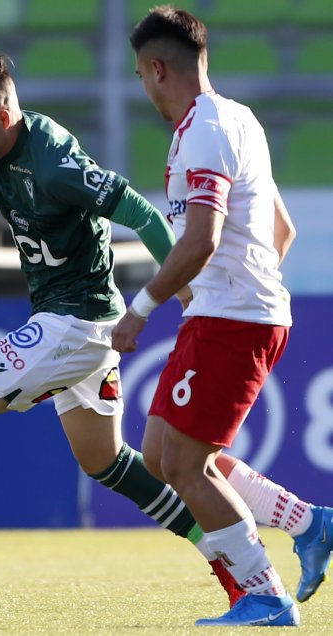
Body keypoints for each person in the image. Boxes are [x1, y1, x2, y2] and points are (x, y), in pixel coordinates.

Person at [0, 50, 332, 611]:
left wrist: (187, 291)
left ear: (5, 113)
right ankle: (229, 563)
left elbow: (139, 211)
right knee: (106, 460)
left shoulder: (54, 160)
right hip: (73, 320)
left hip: (78, 320)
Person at [113, 5, 333, 627]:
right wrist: (242, 283)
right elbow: (280, 229)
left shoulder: (204, 130)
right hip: (229, 311)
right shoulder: (237, 119)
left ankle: (265, 595)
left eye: (139, 74)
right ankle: (309, 523)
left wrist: (142, 309)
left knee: (184, 464)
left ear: (158, 69)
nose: (142, 87)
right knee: (161, 454)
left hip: (233, 319)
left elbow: (203, 239)